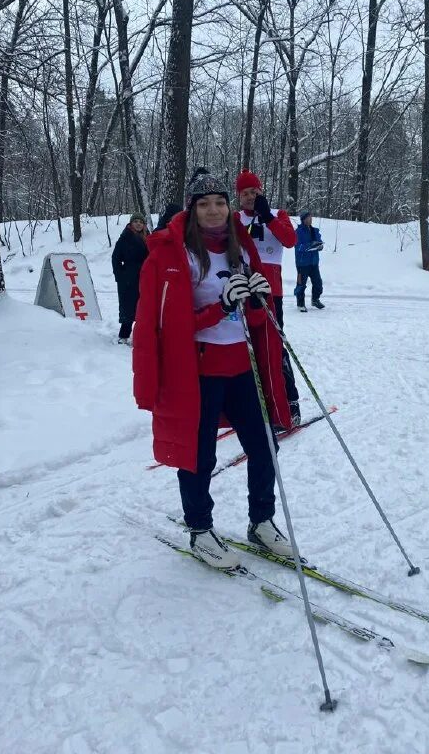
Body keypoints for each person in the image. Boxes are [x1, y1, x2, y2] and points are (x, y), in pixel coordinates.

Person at [133, 168, 293, 569]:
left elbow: (255, 322)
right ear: (192, 208)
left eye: (220, 202)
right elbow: (168, 324)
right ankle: (200, 529)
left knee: (264, 447)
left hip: (243, 365)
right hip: (199, 373)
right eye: (203, 203)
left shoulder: (241, 249)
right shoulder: (173, 254)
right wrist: (217, 308)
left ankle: (262, 520)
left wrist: (256, 303)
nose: (213, 210)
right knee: (198, 455)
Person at [234, 168, 301, 425]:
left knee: (275, 350)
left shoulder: (277, 215)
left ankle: (290, 402)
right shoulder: (235, 218)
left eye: (254, 192)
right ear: (239, 197)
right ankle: (257, 404)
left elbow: (290, 240)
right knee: (248, 351)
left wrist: (267, 216)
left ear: (262, 191)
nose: (250, 197)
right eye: (245, 193)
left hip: (272, 294)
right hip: (243, 293)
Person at [111, 212, 149, 343]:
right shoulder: (124, 238)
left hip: (146, 277)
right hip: (128, 278)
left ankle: (142, 336)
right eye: (135, 221)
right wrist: (120, 276)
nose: (138, 223)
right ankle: (124, 335)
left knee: (144, 307)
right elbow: (115, 258)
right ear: (131, 224)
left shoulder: (148, 238)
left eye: (141, 222)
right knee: (128, 307)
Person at [294, 211, 324, 312]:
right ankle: (300, 303)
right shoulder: (298, 231)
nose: (310, 219)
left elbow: (319, 242)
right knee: (301, 284)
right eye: (308, 218)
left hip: (314, 262)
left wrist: (319, 246)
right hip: (302, 263)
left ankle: (315, 299)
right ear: (303, 219)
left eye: (311, 217)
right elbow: (299, 247)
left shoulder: (315, 231)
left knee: (318, 283)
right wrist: (311, 245)